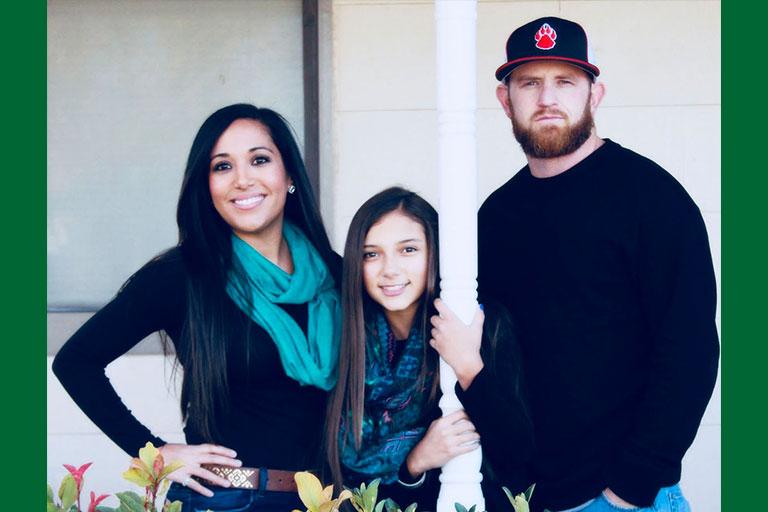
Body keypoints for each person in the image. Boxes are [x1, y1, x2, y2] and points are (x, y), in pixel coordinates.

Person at [473, 16, 719, 512]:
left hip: (621, 498)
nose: (547, 98)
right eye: (530, 83)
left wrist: (630, 487)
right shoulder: (494, 216)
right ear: (506, 100)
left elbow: (690, 351)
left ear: (594, 95)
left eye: (565, 81)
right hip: (523, 497)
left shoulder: (652, 200)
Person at [53, 104, 342, 512]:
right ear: (206, 185)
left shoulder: (337, 276)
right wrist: (152, 451)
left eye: (259, 159)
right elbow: (75, 360)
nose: (243, 179)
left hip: (326, 499)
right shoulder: (184, 275)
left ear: (289, 174)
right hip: (225, 499)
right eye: (222, 167)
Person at [324, 187, 533, 511]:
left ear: (436, 251)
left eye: (408, 250)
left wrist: (468, 368)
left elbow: (516, 451)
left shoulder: (479, 324)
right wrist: (415, 463)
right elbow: (345, 485)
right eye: (371, 254)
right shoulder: (348, 341)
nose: (389, 269)